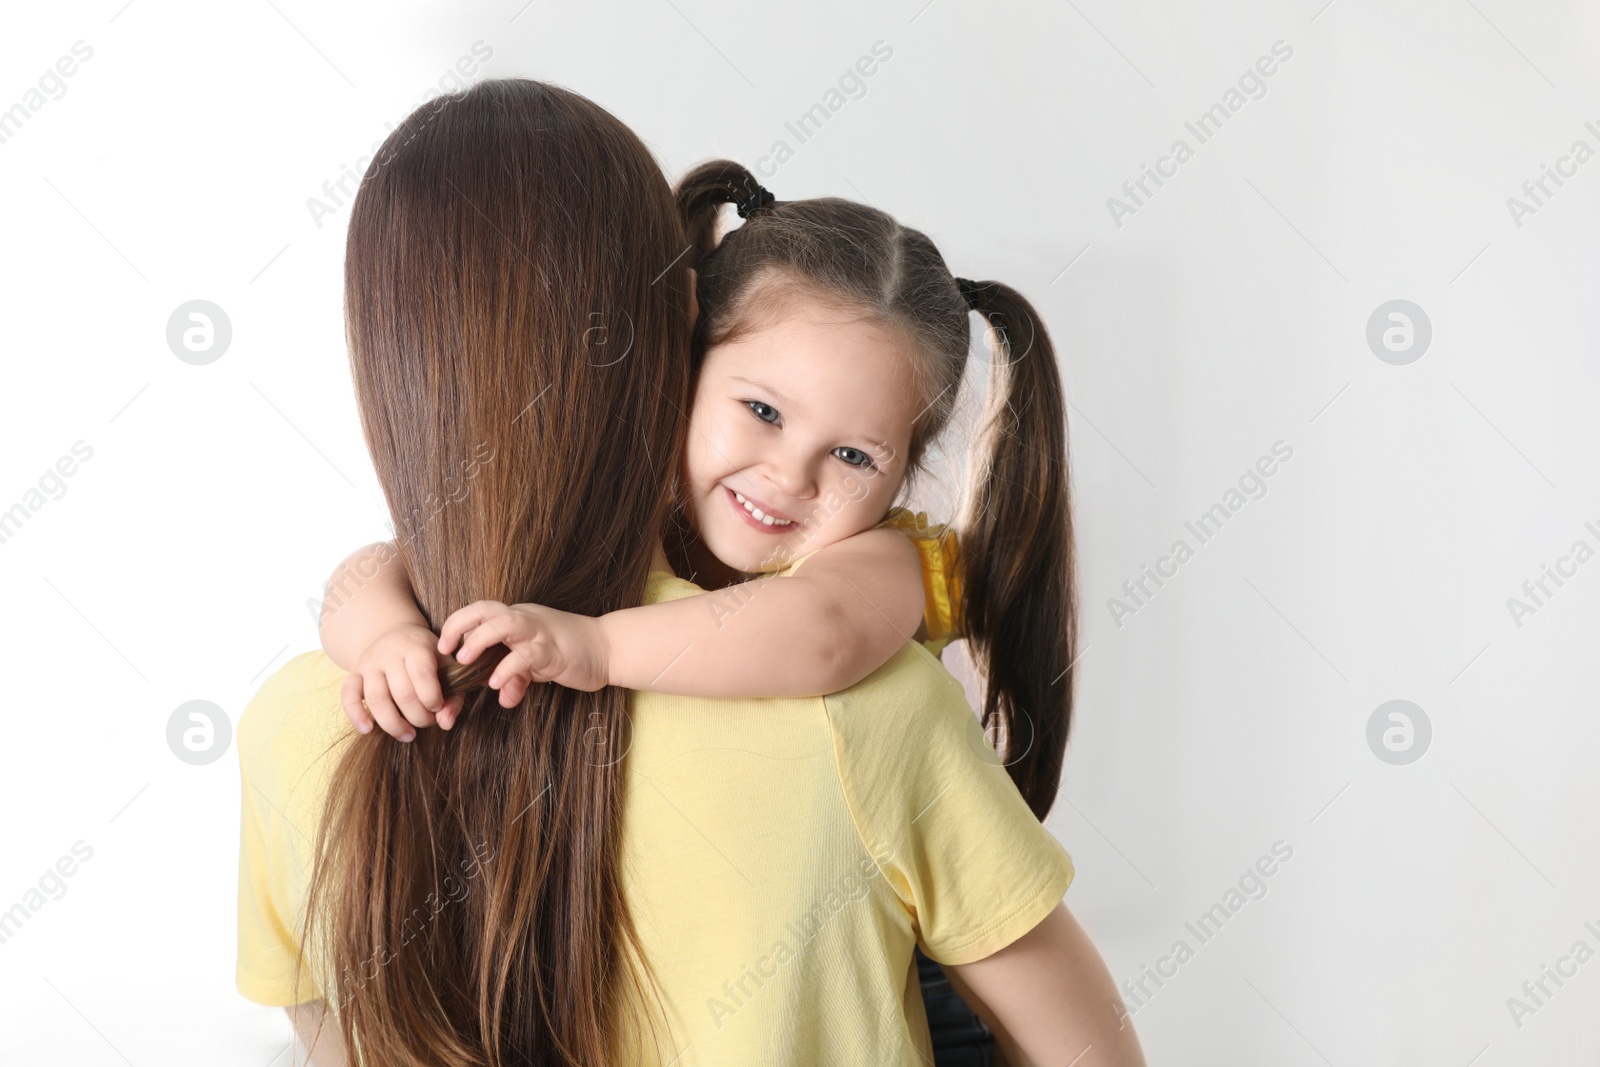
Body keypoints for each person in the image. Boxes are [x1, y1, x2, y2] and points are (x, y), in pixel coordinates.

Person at [236, 78, 1145, 1067]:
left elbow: (822, 632)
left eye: (854, 457)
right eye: (761, 411)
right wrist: (384, 639)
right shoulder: (863, 718)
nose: (788, 475)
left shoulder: (292, 727)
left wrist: (581, 644)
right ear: (678, 349)